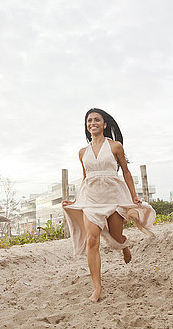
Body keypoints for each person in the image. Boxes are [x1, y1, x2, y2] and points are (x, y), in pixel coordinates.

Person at [62, 108, 156, 302]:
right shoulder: (82, 153)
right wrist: (76, 200)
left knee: (115, 236)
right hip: (91, 200)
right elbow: (86, 178)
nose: (92, 123)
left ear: (105, 124)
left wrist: (133, 196)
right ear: (87, 126)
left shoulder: (115, 147)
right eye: (89, 121)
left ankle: (124, 245)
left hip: (113, 197)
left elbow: (126, 173)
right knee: (92, 241)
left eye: (97, 120)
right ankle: (97, 289)